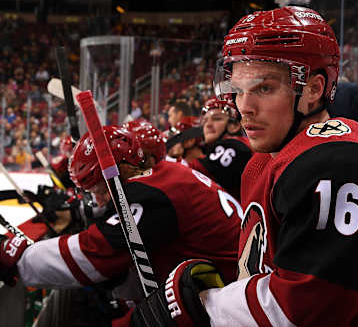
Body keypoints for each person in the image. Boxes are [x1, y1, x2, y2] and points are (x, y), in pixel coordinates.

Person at [131, 6, 358, 327]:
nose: (244, 108)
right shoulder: (264, 158)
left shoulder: (338, 161)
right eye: (238, 91)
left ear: (313, 89)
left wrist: (204, 306)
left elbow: (306, 307)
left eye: (264, 88)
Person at [0, 125, 242, 326]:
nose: (99, 200)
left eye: (98, 189)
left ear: (121, 169)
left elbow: (93, 254)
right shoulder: (166, 175)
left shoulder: (154, 194)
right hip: (221, 293)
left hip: (223, 307)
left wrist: (18, 256)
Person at [188, 97, 252, 200]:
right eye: (205, 121)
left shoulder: (235, 145)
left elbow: (193, 173)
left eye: (217, 118)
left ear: (234, 126)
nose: (208, 125)